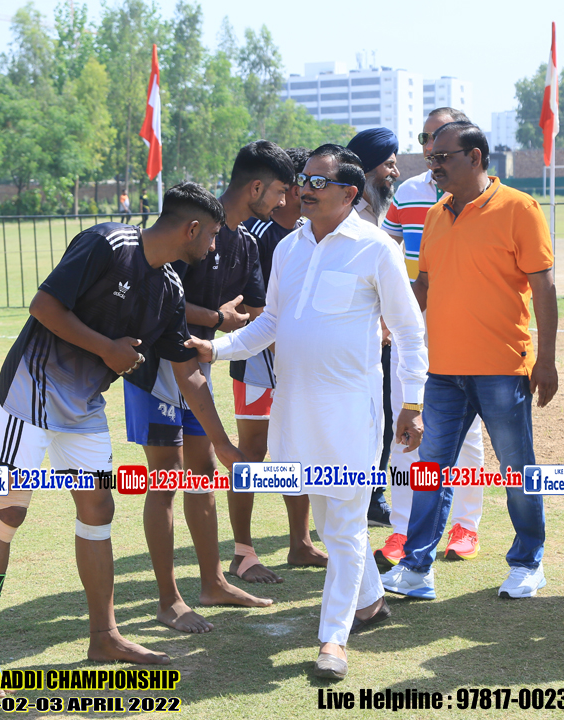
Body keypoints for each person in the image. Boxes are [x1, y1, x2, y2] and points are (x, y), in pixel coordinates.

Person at [0, 182, 245, 672]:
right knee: (9, 511)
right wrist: (106, 349)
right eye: (213, 235)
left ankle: (105, 637)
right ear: (192, 229)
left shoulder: (170, 288)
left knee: (98, 508)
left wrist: (223, 445)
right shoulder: (107, 242)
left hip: (86, 406)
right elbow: (43, 306)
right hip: (32, 389)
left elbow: (188, 372)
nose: (214, 245)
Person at [189, 144, 428, 680]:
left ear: (350, 193)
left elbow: (410, 333)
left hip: (351, 414)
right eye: (303, 179)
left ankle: (333, 639)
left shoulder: (376, 249)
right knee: (330, 521)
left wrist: (412, 403)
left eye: (318, 181)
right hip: (295, 409)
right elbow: (271, 322)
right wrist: (216, 349)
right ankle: (370, 602)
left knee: (342, 526)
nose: (304, 188)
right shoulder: (287, 248)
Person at [382, 121, 558, 600]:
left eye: (443, 157)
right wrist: (387, 322)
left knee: (517, 470)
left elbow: (543, 286)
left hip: (502, 368)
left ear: (475, 157)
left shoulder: (520, 208)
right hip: (441, 372)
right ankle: (416, 569)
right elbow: (424, 285)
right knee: (430, 471)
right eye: (430, 158)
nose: (433, 166)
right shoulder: (435, 215)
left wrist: (546, 360)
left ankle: (528, 563)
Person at [122, 142, 288, 634]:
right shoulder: (190, 230)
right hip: (156, 368)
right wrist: (217, 318)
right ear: (255, 187)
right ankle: (168, 600)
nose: (283, 202)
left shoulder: (247, 243)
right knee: (165, 479)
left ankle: (213, 582)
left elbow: (256, 313)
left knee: (204, 472)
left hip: (198, 371)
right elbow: (164, 299)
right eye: (279, 191)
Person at [375, 108, 486, 567]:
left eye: (438, 138)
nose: (429, 147)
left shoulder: (486, 196)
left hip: (464, 330)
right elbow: (387, 251)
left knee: (467, 434)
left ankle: (465, 526)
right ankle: (402, 528)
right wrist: (388, 314)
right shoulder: (407, 194)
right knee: (406, 428)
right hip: (411, 329)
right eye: (424, 138)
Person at [230, 147, 328, 575]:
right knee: (252, 450)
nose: (309, 190)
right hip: (257, 360)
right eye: (304, 182)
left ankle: (300, 544)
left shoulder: (312, 231)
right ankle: (242, 551)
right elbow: (247, 305)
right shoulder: (253, 232)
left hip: (299, 359)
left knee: (299, 447)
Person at [347, 127, 401, 528]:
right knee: (359, 422)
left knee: (383, 419)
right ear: (366, 168)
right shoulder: (346, 217)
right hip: (352, 341)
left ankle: (371, 497)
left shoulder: (381, 211)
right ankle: (359, 498)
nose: (394, 172)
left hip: (381, 339)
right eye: (388, 164)